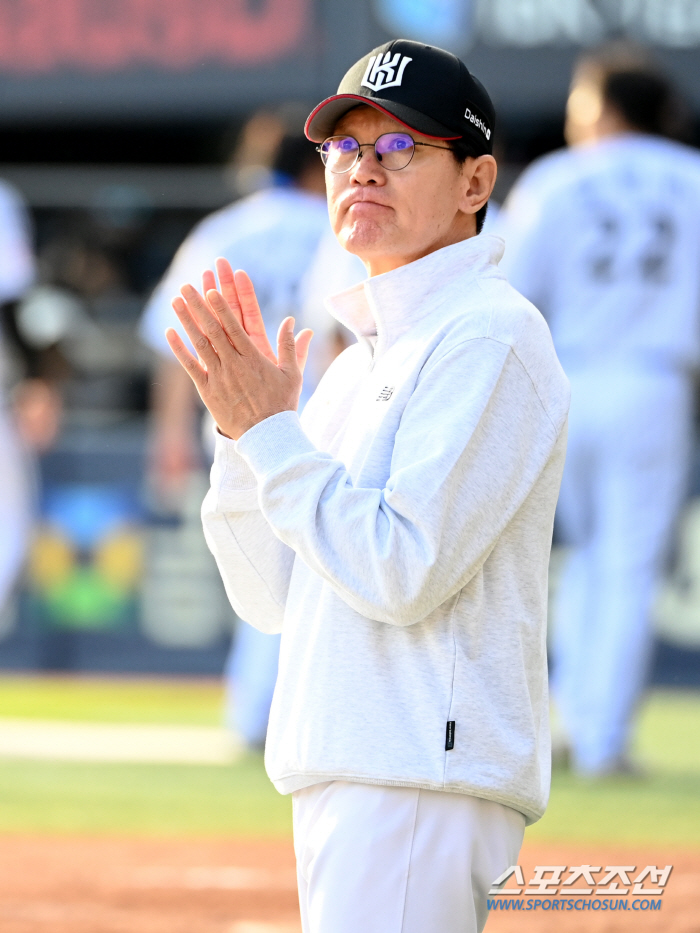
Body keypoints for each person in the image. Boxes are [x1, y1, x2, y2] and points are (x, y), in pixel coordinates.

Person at [166, 39, 569, 933]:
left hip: (417, 774)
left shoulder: (490, 334)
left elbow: (399, 568)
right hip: (358, 762)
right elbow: (270, 594)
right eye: (346, 149)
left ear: (476, 183)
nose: (363, 170)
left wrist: (274, 434)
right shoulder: (362, 359)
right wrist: (242, 436)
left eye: (400, 148)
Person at [495, 50, 700, 776]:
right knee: (626, 565)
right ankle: (601, 735)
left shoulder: (555, 179)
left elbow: (509, 298)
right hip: (656, 383)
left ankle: (570, 723)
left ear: (608, 109)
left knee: (576, 559)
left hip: (564, 378)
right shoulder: (693, 178)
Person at [140, 125, 350, 749]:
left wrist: (170, 437)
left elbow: (173, 342)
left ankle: (255, 718)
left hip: (234, 421)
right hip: (323, 416)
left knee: (259, 570)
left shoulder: (225, 230)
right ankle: (279, 719)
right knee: (318, 575)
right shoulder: (344, 225)